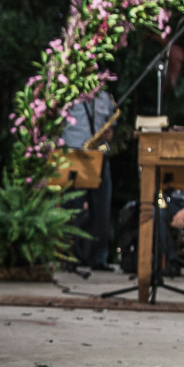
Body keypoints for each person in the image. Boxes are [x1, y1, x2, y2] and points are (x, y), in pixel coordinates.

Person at [61, 90, 116, 269]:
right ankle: (71, 256)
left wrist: (109, 133)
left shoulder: (105, 97)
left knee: (101, 210)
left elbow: (109, 124)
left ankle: (98, 257)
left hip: (99, 156)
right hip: (75, 155)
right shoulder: (68, 94)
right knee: (73, 209)